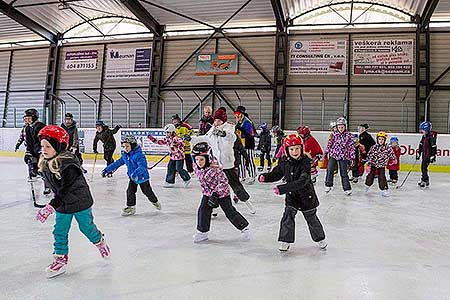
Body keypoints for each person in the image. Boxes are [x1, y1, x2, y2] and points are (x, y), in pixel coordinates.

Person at [35, 125, 110, 278]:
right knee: (59, 231)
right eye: (42, 145)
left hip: (80, 201)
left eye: (48, 146)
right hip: (63, 204)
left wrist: (50, 207)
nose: (44, 149)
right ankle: (60, 259)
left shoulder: (68, 165)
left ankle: (100, 241)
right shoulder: (46, 162)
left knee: (86, 228)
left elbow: (65, 190)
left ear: (58, 146)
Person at [258, 134, 327, 252]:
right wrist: (265, 177)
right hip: (292, 196)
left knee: (311, 218)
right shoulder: (284, 161)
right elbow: (277, 173)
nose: (295, 152)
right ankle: (285, 240)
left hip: (306, 196)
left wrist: (283, 188)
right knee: (287, 217)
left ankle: (320, 239)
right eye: (291, 149)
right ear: (286, 150)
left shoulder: (305, 162)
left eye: (297, 149)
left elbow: (302, 181)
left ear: (301, 148)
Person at [191, 107, 255, 214]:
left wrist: (222, 133)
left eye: (219, 120)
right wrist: (191, 139)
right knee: (215, 188)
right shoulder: (212, 130)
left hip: (228, 164)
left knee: (236, 186)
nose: (216, 122)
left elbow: (232, 137)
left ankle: (248, 203)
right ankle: (215, 208)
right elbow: (204, 138)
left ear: (223, 121)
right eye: (215, 120)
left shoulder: (229, 127)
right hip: (216, 166)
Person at [191, 142, 250, 243]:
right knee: (203, 210)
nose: (199, 162)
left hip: (222, 194)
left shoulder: (216, 169)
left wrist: (215, 194)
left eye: (201, 159)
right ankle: (202, 232)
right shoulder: (196, 166)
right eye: (196, 159)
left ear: (208, 157)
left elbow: (223, 182)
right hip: (207, 193)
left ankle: (245, 228)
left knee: (229, 212)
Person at [102, 134, 161, 216]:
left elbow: (142, 167)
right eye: (124, 146)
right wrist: (107, 170)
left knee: (147, 192)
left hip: (142, 177)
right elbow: (117, 163)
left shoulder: (139, 155)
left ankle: (155, 201)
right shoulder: (125, 155)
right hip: (132, 178)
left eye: (127, 146)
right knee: (130, 191)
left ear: (132, 146)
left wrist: (136, 174)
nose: (125, 148)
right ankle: (131, 207)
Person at [324, 117, 355, 195]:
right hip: (333, 155)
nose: (341, 129)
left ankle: (347, 188)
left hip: (343, 156)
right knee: (330, 169)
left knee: (343, 173)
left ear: (345, 127)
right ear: (337, 127)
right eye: (339, 127)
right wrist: (325, 153)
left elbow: (351, 147)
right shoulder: (334, 135)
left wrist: (352, 158)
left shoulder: (349, 135)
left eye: (342, 127)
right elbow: (329, 144)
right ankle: (328, 184)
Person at [365, 131, 397, 197]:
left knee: (382, 177)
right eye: (379, 139)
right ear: (377, 139)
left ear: (385, 140)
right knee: (370, 176)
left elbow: (391, 154)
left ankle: (384, 190)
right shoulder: (374, 147)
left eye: (382, 139)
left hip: (382, 165)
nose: (381, 141)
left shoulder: (388, 148)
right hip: (373, 164)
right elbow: (369, 155)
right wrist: (368, 164)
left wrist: (394, 159)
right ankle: (367, 185)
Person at [234, 106, 257, 184]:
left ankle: (252, 176)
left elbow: (251, 134)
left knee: (249, 160)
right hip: (241, 145)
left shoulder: (247, 122)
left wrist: (240, 129)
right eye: (236, 115)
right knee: (241, 161)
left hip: (248, 144)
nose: (237, 117)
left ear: (242, 114)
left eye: (238, 114)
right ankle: (242, 176)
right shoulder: (238, 122)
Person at [417, 121, 437, 188]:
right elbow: (421, 144)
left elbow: (434, 147)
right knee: (423, 168)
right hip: (424, 156)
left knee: (424, 168)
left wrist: (433, 156)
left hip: (428, 156)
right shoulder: (424, 136)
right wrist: (419, 152)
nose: (421, 131)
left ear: (427, 130)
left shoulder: (431, 137)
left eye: (423, 130)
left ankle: (425, 181)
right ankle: (425, 180)